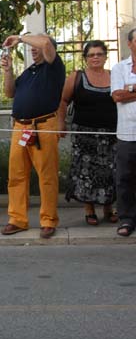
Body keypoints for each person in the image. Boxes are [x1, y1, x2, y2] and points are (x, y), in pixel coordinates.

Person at [0, 33, 65, 240]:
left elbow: (45, 42)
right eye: (32, 46)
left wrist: (20, 38)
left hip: (44, 126)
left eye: (37, 45)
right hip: (21, 127)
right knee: (16, 175)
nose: (34, 48)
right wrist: (8, 71)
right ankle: (17, 219)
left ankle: (48, 220)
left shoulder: (54, 67)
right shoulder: (29, 72)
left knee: (47, 176)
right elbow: (10, 92)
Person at [59, 40, 117, 225]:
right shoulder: (76, 76)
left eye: (99, 54)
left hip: (111, 134)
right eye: (91, 55)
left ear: (105, 57)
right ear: (85, 58)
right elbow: (63, 101)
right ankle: (89, 209)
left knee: (110, 171)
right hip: (84, 135)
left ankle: (109, 209)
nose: (95, 58)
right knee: (86, 173)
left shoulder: (115, 75)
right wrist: (61, 123)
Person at [111, 28, 136, 237]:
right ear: (130, 44)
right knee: (125, 178)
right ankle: (127, 219)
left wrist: (130, 89)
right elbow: (117, 96)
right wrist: (128, 91)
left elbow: (124, 92)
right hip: (127, 133)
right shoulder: (119, 68)